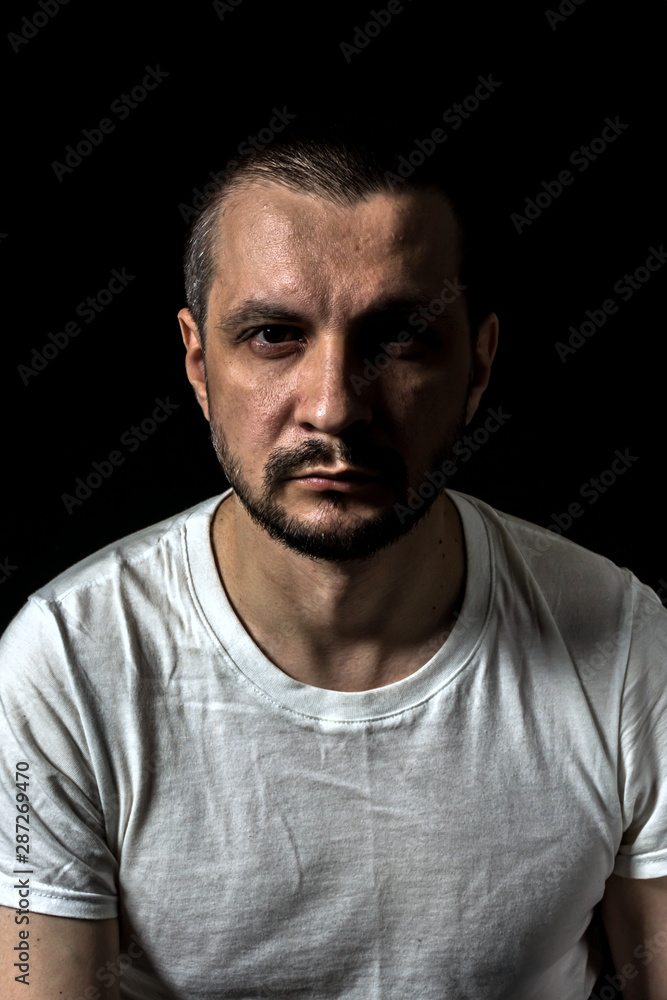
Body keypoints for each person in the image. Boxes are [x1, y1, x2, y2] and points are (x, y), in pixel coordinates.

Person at [1, 118, 666, 1000]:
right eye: (274, 335)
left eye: (397, 338)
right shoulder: (65, 661)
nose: (334, 409)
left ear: (477, 366)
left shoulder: (622, 643)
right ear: (199, 365)